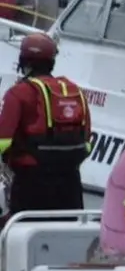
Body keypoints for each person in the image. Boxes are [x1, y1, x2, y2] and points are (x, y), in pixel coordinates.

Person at [0, 33, 91, 220]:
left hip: (31, 185)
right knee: (66, 239)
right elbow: (87, 142)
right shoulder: (75, 91)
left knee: (23, 241)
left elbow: (3, 141)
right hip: (71, 185)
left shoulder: (18, 93)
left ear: (23, 61)